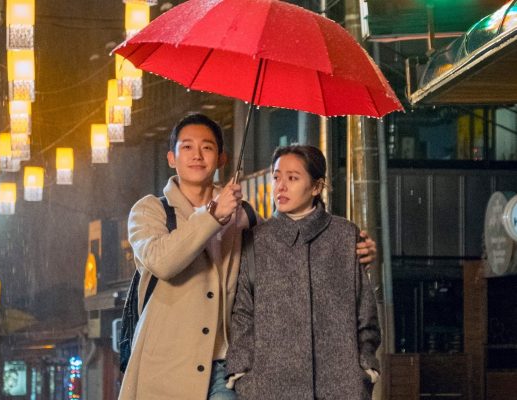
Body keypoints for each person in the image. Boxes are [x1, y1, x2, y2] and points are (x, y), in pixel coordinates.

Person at [120, 115, 377, 400]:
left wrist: (352, 253)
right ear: (171, 158)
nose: (197, 155)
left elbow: (288, 251)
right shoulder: (151, 210)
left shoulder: (244, 214)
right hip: (164, 368)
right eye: (187, 147)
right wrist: (213, 216)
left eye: (207, 147)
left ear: (222, 158)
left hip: (223, 365)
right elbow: (162, 263)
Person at [226, 145, 381, 400]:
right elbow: (243, 313)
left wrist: (366, 368)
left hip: (340, 386)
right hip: (268, 387)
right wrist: (241, 373)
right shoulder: (256, 240)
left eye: (292, 178)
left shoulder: (344, 235)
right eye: (276, 177)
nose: (281, 186)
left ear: (316, 187)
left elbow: (365, 309)